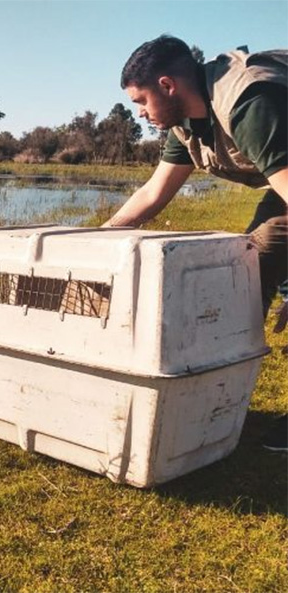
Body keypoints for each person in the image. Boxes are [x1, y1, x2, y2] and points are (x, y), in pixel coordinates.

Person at [103, 35, 287, 451]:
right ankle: (212, 400)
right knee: (251, 262)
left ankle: (213, 397)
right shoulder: (185, 123)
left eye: (141, 101)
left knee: (256, 257)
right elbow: (153, 194)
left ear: (168, 85)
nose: (141, 113)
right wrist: (95, 239)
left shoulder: (247, 103)